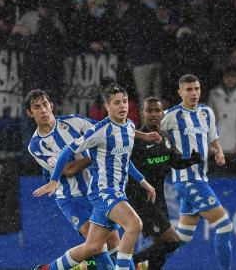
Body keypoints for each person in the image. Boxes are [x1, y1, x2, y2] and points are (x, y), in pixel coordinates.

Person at [33, 84, 161, 270]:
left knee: (94, 246)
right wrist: (53, 181)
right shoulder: (100, 130)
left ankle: (49, 269)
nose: (122, 106)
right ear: (107, 107)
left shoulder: (129, 126)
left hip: (112, 190)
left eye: (124, 101)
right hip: (101, 191)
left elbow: (123, 159)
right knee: (134, 225)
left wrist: (144, 182)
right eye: (116, 103)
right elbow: (65, 155)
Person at [25, 89, 119, 269]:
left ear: (51, 106)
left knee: (114, 242)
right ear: (30, 113)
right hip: (70, 197)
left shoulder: (74, 122)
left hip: (97, 192)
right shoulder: (36, 145)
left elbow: (105, 131)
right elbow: (67, 170)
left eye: (45, 104)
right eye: (36, 107)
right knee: (96, 243)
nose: (43, 110)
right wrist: (95, 156)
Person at [160, 74, 232, 270]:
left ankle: (145, 263)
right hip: (187, 180)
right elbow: (151, 135)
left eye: (197, 89)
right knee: (225, 226)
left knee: (182, 238)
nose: (194, 93)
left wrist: (219, 151)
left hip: (201, 178)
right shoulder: (170, 116)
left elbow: (212, 138)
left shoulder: (207, 113)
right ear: (180, 92)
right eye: (189, 90)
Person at [128, 97, 201, 270]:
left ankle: (129, 262)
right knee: (173, 241)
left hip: (158, 199)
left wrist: (191, 160)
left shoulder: (165, 137)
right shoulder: (136, 140)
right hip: (140, 199)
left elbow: (175, 162)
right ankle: (127, 262)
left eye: (157, 110)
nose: (153, 114)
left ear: (162, 113)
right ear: (143, 113)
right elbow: (126, 169)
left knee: (160, 248)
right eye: (149, 110)